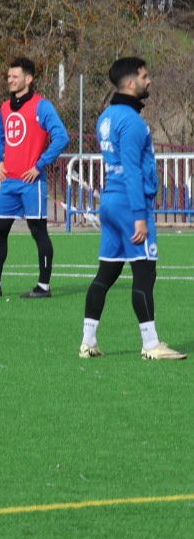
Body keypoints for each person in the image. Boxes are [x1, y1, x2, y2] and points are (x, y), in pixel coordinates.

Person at [79, 57, 183, 360]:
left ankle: (88, 342)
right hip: (129, 204)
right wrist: (140, 217)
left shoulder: (106, 117)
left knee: (106, 273)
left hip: (110, 201)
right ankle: (151, 345)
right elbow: (133, 170)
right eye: (144, 76)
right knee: (144, 274)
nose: (149, 81)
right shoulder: (133, 122)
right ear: (130, 82)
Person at [0, 57, 70, 300]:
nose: (10, 80)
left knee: (38, 232)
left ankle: (44, 286)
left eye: (15, 76)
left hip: (31, 183)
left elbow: (62, 137)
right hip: (8, 182)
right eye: (8, 77)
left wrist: (40, 165)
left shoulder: (42, 106)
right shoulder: (5, 107)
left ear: (29, 78)